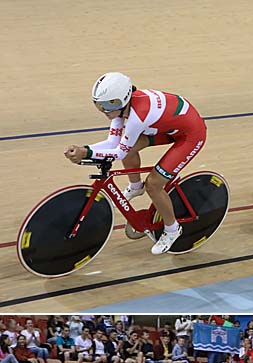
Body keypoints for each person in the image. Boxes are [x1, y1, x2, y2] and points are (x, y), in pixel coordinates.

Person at [64, 72, 207, 255]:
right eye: (99, 105)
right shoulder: (121, 108)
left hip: (190, 135)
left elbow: (118, 152)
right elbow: (113, 144)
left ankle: (172, 229)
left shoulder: (137, 117)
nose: (104, 111)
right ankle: (135, 186)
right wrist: (85, 149)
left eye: (108, 105)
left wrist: (86, 152)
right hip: (167, 127)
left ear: (122, 100)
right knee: (130, 148)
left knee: (154, 185)